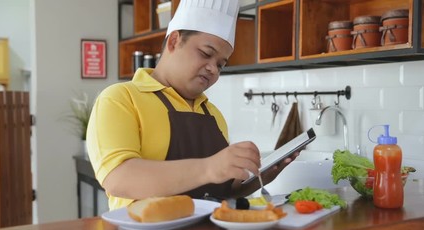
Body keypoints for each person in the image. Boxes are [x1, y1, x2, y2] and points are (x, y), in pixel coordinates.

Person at [86, 0, 298, 210]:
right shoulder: (120, 99)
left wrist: (256, 178)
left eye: (220, 64)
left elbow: (218, 191)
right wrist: (209, 167)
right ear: (174, 41)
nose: (213, 69)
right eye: (206, 54)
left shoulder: (212, 113)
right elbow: (119, 179)